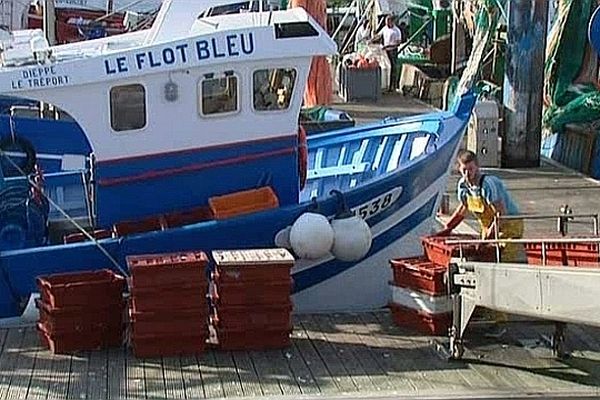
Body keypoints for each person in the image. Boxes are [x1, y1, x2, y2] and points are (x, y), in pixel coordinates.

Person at [438, 149, 524, 262]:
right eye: (464, 170)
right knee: (486, 258)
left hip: (509, 226)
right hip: (488, 228)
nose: (468, 173)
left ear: (477, 167)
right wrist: (448, 228)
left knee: (506, 259)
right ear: (459, 169)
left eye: (471, 169)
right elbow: (463, 208)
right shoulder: (463, 186)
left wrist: (487, 238)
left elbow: (501, 214)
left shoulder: (487, 184)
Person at [371, 15, 402, 93]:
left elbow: (398, 43)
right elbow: (379, 35)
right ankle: (385, 84)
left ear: (392, 22)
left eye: (388, 22)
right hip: (385, 50)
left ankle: (392, 85)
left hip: (392, 50)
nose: (387, 24)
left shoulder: (396, 31)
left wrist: (389, 46)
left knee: (392, 67)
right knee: (385, 66)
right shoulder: (385, 28)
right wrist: (372, 39)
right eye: (386, 22)